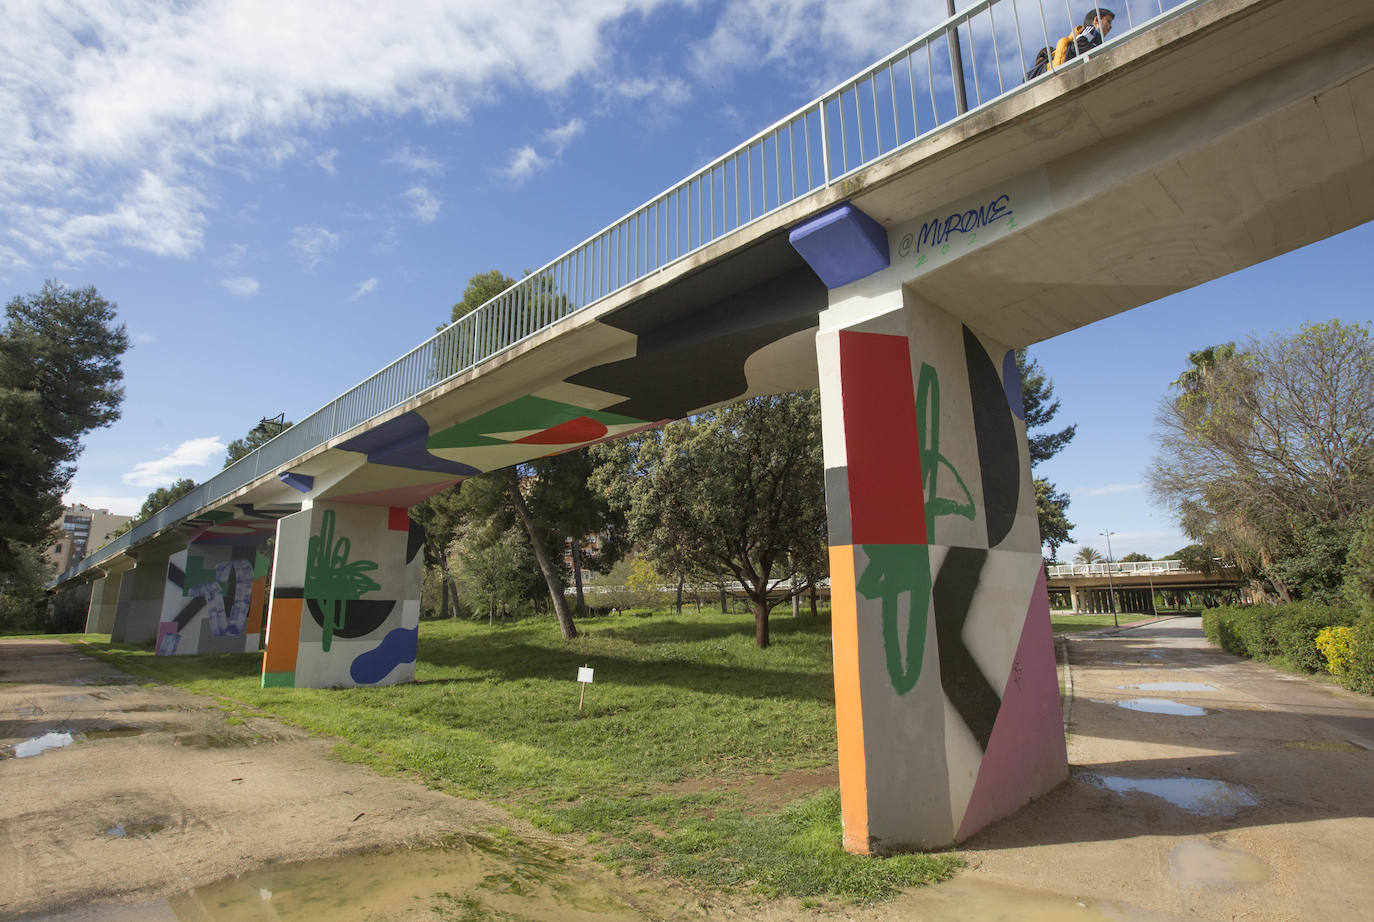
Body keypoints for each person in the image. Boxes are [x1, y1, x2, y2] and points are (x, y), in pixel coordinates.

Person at [1025, 8, 1115, 80]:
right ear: (1096, 19)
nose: (1110, 26)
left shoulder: (1096, 39)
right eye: (1108, 21)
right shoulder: (1092, 31)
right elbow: (1078, 46)